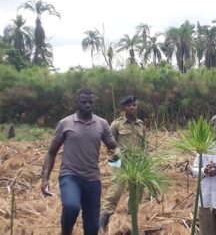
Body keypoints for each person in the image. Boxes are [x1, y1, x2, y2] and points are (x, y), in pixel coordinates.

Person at [40, 88, 117, 235]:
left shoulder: (102, 124)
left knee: (92, 228)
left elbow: (113, 148)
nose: (87, 105)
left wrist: (120, 167)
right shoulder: (65, 123)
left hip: (93, 179)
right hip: (70, 176)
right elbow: (51, 152)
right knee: (71, 206)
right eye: (84, 102)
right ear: (77, 102)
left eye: (90, 102)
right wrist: (44, 178)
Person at [99, 95, 146, 232]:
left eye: (135, 105)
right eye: (129, 105)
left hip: (137, 163)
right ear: (124, 108)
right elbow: (110, 144)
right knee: (116, 190)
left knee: (137, 193)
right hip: (119, 162)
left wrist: (145, 160)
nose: (132, 107)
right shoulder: (116, 124)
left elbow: (144, 145)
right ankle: (102, 222)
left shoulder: (141, 124)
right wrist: (115, 160)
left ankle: (131, 221)